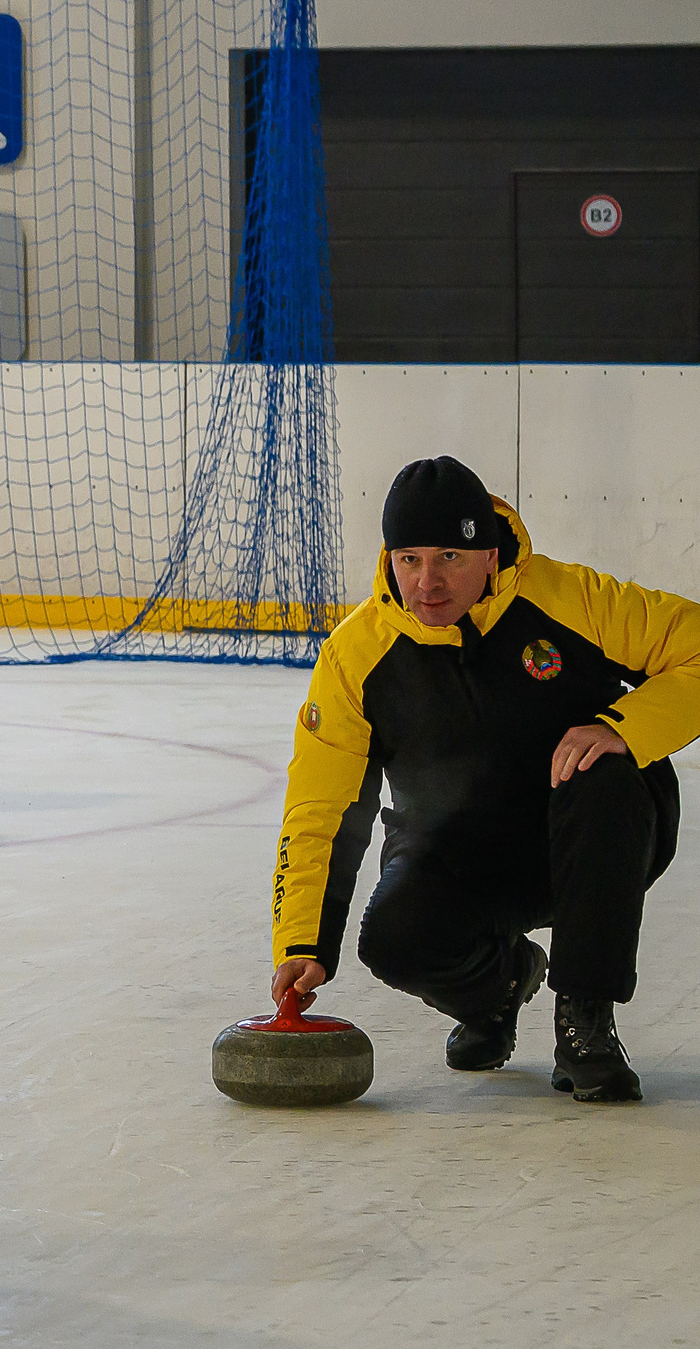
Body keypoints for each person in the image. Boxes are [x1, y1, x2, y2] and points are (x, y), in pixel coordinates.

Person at [272, 456, 700, 1103]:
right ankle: (500, 989)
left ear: (490, 552)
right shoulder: (355, 656)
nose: (428, 582)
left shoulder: (568, 599)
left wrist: (622, 724)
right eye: (408, 558)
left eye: (450, 556)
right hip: (462, 854)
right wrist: (303, 938)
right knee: (392, 936)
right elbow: (320, 803)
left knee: (605, 769)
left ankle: (584, 1016)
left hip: (589, 842)